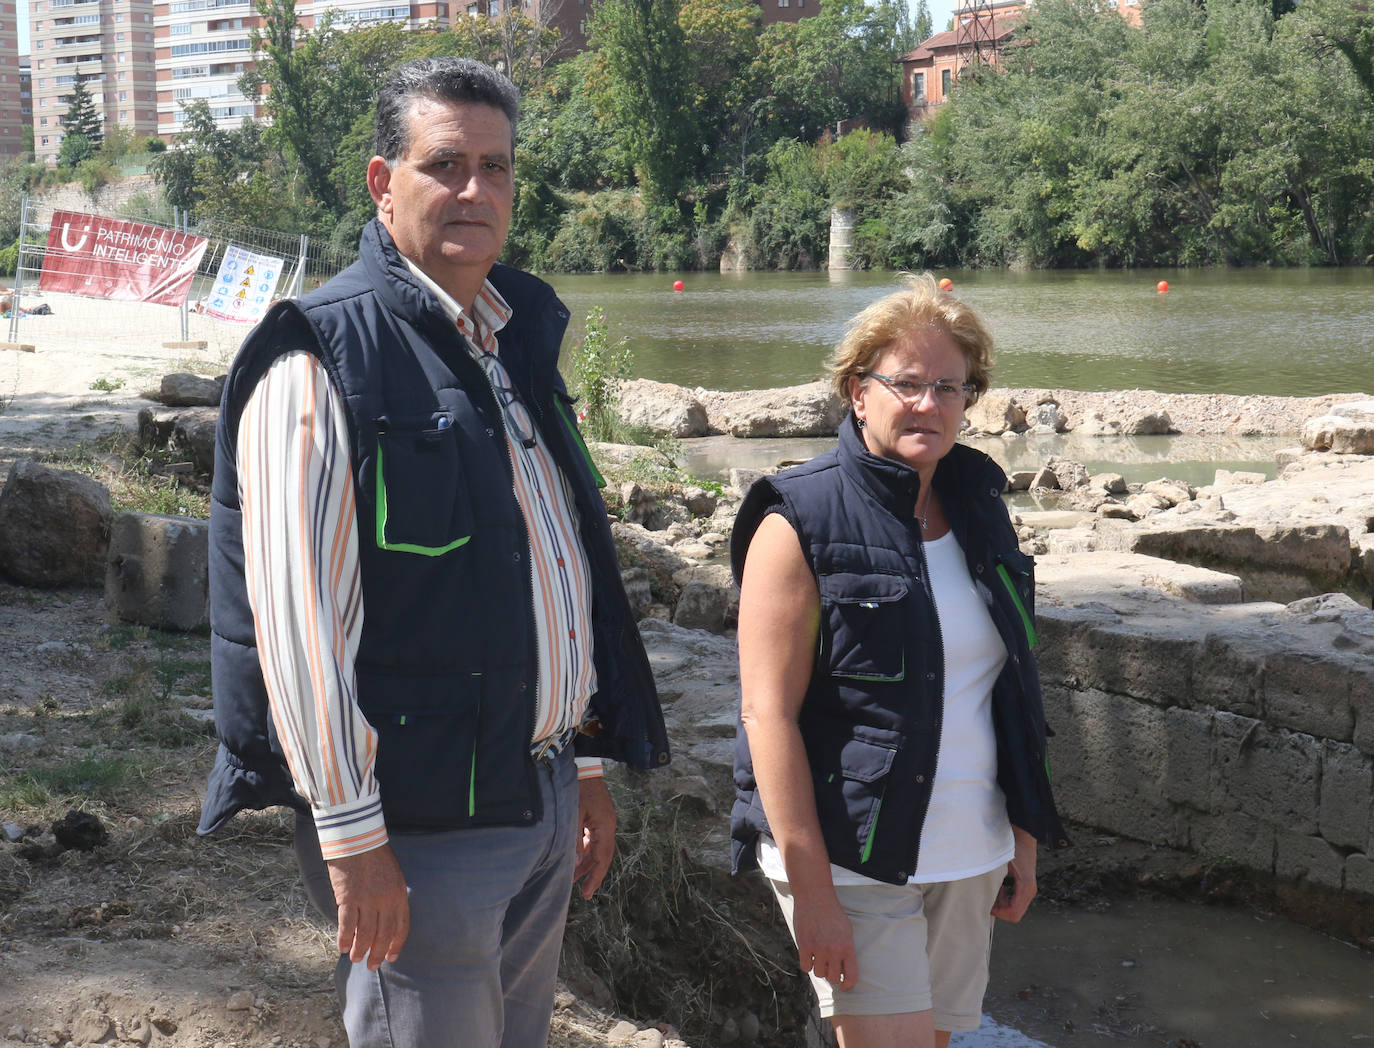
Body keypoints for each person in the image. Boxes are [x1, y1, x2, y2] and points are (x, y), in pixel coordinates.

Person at [197, 57, 669, 1048]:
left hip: (531, 789)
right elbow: (297, 630)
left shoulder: (510, 338)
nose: (475, 192)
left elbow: (554, 566)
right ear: (383, 181)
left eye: (496, 168)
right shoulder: (319, 355)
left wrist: (582, 762)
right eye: (445, 165)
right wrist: (350, 834)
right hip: (417, 823)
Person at [730, 273, 1068, 1048]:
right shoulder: (798, 516)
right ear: (857, 391)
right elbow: (766, 713)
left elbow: (1011, 689)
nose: (929, 404)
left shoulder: (981, 504)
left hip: (969, 850)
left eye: (949, 386)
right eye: (906, 383)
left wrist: (1021, 836)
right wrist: (813, 892)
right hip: (853, 858)